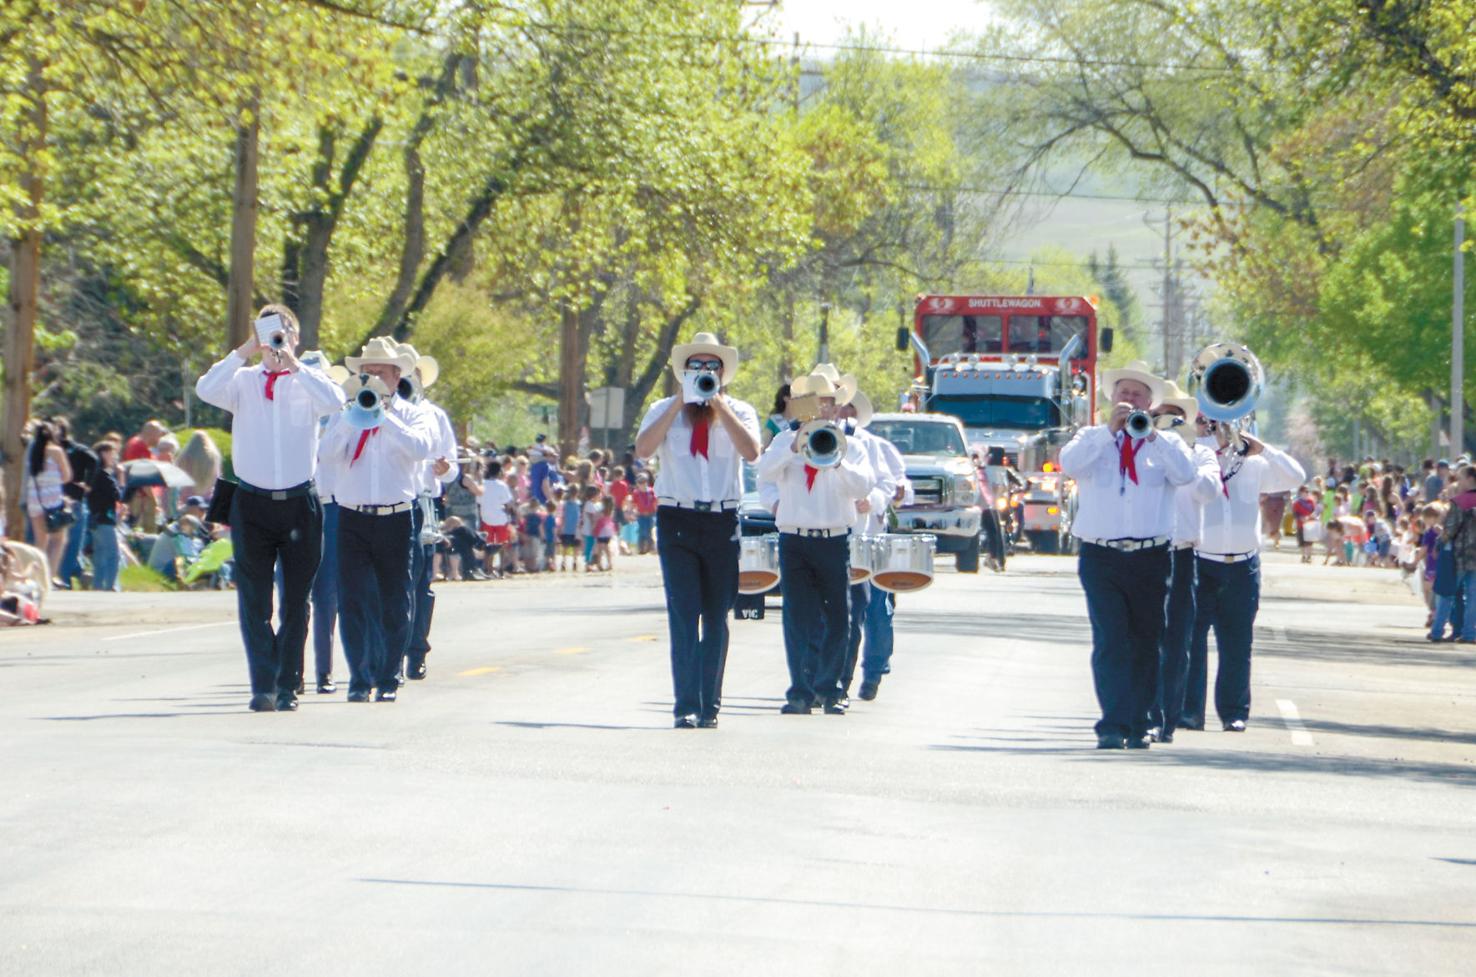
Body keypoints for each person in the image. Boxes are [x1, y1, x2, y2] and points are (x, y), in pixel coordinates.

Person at [195, 304, 346, 713]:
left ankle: (288, 683)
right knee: (255, 601)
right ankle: (263, 684)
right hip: (252, 503)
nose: (276, 342)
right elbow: (205, 390)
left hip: (299, 502)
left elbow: (335, 401)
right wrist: (245, 349)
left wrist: (294, 362)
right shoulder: (242, 381)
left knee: (297, 601)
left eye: (284, 334)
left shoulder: (308, 383)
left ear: (296, 338)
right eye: (270, 334)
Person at [1058, 360, 1196, 750]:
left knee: (1147, 640)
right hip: (1102, 556)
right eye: (1123, 393)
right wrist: (1108, 434)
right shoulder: (1090, 438)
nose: (1129, 400)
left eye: (1137, 395)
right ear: (1111, 399)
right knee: (1110, 640)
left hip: (1151, 556)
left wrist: (1151, 437)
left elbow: (1186, 476)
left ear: (1150, 403)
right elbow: (1070, 465)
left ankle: (1142, 722)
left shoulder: (1166, 443)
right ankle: (1112, 723)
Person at [634, 331, 761, 728]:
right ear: (682, 372)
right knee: (683, 614)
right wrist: (678, 403)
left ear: (723, 374)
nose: (704, 373)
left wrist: (719, 405)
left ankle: (711, 704)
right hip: (678, 520)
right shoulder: (662, 408)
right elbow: (642, 449)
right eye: (696, 367)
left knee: (717, 615)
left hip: (721, 519)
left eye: (712, 367)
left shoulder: (739, 409)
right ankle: (685, 704)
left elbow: (752, 452)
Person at [317, 338, 434, 703]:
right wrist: (355, 419)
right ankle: (359, 676)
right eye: (366, 372)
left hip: (396, 517)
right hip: (353, 515)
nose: (371, 379)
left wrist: (385, 419)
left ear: (396, 377)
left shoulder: (413, 414)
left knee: (394, 600)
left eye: (379, 372)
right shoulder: (346, 413)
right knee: (353, 601)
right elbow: (326, 454)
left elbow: (421, 449)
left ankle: (388, 674)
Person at [756, 367, 874, 717]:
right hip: (794, 538)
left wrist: (836, 462)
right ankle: (801, 690)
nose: (825, 411)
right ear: (805, 406)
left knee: (839, 617)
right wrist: (794, 448)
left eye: (830, 404)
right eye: (818, 403)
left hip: (834, 538)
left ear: (838, 409)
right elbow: (764, 472)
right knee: (798, 618)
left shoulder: (851, 445)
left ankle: (831, 689)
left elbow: (863, 486)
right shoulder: (783, 441)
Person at [1183, 417, 1306, 733]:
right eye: (1211, 423)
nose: (1218, 430)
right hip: (1200, 560)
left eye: (1223, 424)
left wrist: (1263, 449)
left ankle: (1234, 712)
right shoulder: (1196, 458)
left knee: (1237, 644)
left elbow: (1296, 476)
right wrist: (1206, 442)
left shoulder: (1253, 464)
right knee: (1192, 642)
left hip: (1242, 564)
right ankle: (1189, 711)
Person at [1147, 383, 1220, 745]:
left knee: (1178, 640)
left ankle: (1168, 717)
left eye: (1177, 417)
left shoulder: (1202, 454)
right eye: (1164, 415)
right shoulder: (1144, 447)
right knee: (1145, 636)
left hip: (1183, 553)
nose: (1169, 423)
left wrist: (1182, 456)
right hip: (1148, 551)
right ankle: (1146, 710)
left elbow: (1207, 490)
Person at [834, 387, 904, 704]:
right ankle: (833, 676)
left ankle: (873, 673)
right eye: (838, 409)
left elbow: (893, 484)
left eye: (849, 409)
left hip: (872, 539)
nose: (843, 415)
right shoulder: (818, 441)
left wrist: (873, 500)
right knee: (843, 614)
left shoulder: (877, 446)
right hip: (837, 538)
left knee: (878, 611)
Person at [396, 344, 459, 682]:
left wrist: (445, 468)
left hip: (424, 502)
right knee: (394, 581)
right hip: (394, 500)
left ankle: (416, 651)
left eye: (412, 374)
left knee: (421, 581)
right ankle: (391, 648)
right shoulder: (381, 411)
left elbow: (451, 469)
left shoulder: (435, 416)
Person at [23, 420, 75, 587]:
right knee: (59, 540)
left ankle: (35, 576)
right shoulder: (56, 451)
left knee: (40, 541)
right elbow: (67, 476)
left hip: (35, 499)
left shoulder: (32, 452)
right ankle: (50, 576)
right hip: (52, 499)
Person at [1431, 465, 1476, 643]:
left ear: (1470, 478)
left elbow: (1450, 529)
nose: (1459, 482)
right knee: (1473, 597)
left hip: (1458, 556)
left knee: (1447, 594)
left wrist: (1438, 544)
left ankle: (1437, 631)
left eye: (1461, 478)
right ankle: (1469, 633)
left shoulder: (1459, 502)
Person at [52, 418, 96, 590]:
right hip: (73, 500)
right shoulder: (76, 449)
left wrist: (89, 483)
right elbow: (94, 460)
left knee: (60, 544)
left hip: (56, 500)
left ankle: (64, 579)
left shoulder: (50, 450)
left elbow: (93, 460)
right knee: (70, 545)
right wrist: (88, 483)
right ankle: (68, 577)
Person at [87, 441, 124, 592]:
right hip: (104, 519)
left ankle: (98, 585)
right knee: (112, 554)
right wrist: (120, 478)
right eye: (111, 453)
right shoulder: (103, 476)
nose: (114, 457)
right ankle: (110, 585)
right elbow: (117, 494)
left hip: (95, 518)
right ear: (103, 454)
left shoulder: (92, 473)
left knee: (100, 554)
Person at [762, 383, 791, 447]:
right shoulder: (773, 421)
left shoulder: (803, 419)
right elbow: (765, 447)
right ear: (786, 398)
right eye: (796, 396)